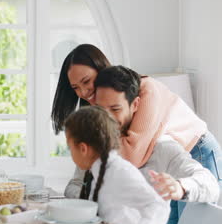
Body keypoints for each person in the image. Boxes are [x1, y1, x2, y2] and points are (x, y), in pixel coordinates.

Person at [65, 65, 219, 224]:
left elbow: (210, 184)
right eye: (100, 109)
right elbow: (75, 185)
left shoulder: (161, 147)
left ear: (135, 105)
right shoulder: (97, 146)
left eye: (115, 109)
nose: (107, 119)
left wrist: (179, 186)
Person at [51, 44, 222, 175]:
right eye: (75, 87)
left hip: (197, 152)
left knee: (191, 223)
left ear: (102, 69)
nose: (83, 92)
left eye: (87, 81)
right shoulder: (101, 104)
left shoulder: (147, 90)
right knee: (170, 223)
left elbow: (130, 156)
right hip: (169, 161)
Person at [65, 106, 169, 224]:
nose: (70, 153)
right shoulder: (98, 173)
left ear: (83, 149)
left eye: (70, 147)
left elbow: (158, 205)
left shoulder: (119, 172)